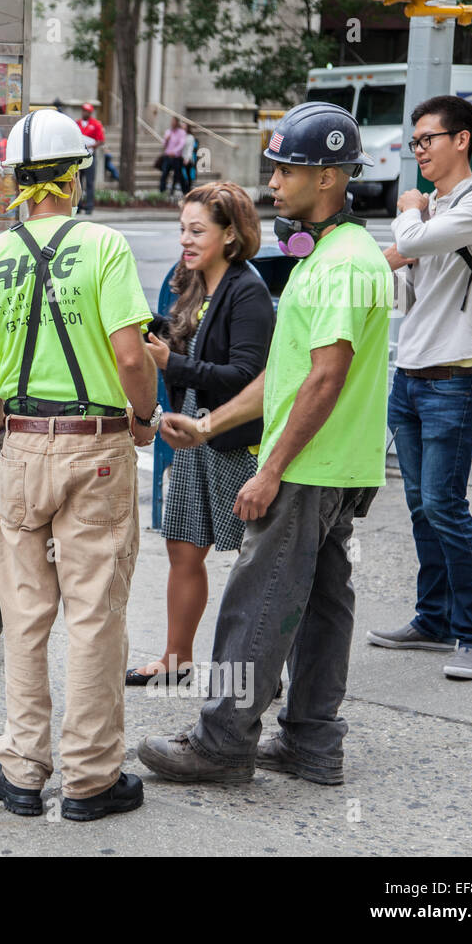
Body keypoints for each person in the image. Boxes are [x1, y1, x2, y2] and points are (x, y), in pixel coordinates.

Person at [137, 102, 392, 786]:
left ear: (331, 177)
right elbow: (284, 376)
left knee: (261, 597)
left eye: (287, 171)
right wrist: (211, 426)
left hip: (309, 467)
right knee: (321, 604)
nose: (273, 184)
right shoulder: (325, 256)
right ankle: (312, 740)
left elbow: (326, 376)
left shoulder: (342, 262)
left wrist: (271, 469)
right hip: (339, 464)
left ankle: (221, 742)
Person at [0, 108, 158, 820]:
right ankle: (92, 780)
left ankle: (22, 771)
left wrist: (14, 433)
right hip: (97, 444)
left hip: (23, 443)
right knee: (95, 614)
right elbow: (132, 356)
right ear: (76, 175)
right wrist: (146, 417)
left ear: (14, 179)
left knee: (26, 612)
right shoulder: (104, 246)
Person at [371, 95, 472, 680]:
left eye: (428, 138)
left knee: (445, 505)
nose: (418, 149)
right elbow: (408, 285)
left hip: (456, 376)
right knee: (421, 507)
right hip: (412, 374)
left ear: (462, 140)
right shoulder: (433, 208)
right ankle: (433, 620)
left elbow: (417, 243)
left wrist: (408, 212)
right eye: (416, 140)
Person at [126, 182, 273, 687]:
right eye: (181, 231)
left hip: (235, 439)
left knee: (256, 560)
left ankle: (262, 670)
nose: (185, 242)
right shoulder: (187, 281)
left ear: (231, 234)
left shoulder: (247, 290)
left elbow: (249, 377)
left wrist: (176, 364)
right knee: (183, 547)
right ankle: (175, 659)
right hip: (191, 432)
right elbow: (173, 338)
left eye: (197, 231)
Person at [78, 101, 106, 214]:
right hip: (79, 156)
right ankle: (78, 205)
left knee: (89, 182)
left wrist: (91, 145)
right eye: (84, 110)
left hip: (90, 155)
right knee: (78, 182)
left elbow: (101, 140)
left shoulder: (96, 124)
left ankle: (89, 206)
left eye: (87, 111)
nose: (85, 113)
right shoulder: (77, 123)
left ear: (90, 113)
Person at [159, 116, 187, 195]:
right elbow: (164, 144)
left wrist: (174, 152)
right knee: (164, 174)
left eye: (174, 121)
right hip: (167, 157)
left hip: (176, 157)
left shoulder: (181, 132)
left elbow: (181, 144)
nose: (172, 123)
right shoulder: (168, 132)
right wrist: (166, 140)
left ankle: (185, 191)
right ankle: (162, 191)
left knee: (179, 175)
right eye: (172, 121)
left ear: (177, 123)